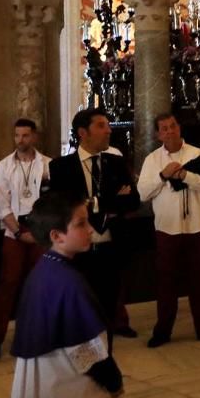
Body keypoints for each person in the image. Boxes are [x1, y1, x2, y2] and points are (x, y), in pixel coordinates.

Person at [7, 190, 124, 398]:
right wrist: (113, 382)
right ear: (56, 236)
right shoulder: (67, 282)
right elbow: (86, 351)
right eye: (80, 224)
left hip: (45, 387)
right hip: (65, 394)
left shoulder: (45, 269)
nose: (90, 229)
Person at [49, 109, 138, 343]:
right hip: (78, 251)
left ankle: (103, 354)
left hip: (111, 247)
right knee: (79, 310)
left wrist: (92, 203)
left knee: (108, 308)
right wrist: (110, 200)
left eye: (108, 124)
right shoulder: (61, 167)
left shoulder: (116, 163)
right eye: (101, 125)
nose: (109, 130)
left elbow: (133, 201)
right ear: (82, 132)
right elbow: (64, 206)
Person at [138, 113, 200, 347]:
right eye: (164, 128)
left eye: (173, 126)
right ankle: (162, 331)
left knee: (199, 280)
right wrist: (163, 175)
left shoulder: (196, 154)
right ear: (158, 134)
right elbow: (143, 193)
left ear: (179, 127)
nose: (170, 131)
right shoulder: (152, 160)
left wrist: (185, 175)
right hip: (167, 229)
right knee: (166, 282)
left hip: (196, 227)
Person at [0, 118, 52, 360]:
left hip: (40, 230)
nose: (21, 140)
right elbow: (2, 205)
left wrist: (38, 232)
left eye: (25, 135)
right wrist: (17, 232)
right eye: (17, 136)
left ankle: (40, 336)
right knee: (8, 284)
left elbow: (51, 202)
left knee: (40, 285)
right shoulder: (3, 167)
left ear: (34, 137)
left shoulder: (47, 165)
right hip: (13, 230)